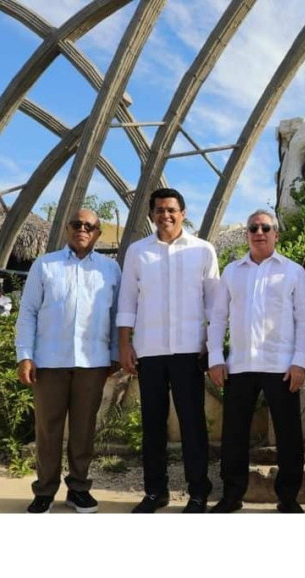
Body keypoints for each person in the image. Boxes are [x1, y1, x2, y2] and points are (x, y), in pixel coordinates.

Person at [118, 187, 219, 513]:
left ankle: (198, 493)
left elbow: (214, 305)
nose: (166, 215)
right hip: (150, 350)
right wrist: (124, 343)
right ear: (151, 215)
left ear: (183, 213)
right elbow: (127, 301)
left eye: (172, 209)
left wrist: (213, 348)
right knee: (153, 425)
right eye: (159, 210)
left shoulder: (203, 251)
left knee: (193, 425)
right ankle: (155, 493)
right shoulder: (137, 252)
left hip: (191, 350)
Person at [207, 210, 305, 513]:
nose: (259, 231)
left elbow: (303, 321)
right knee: (234, 436)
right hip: (239, 366)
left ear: (276, 234)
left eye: (266, 227)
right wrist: (216, 358)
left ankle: (289, 497)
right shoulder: (231, 272)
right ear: (247, 234)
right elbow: (217, 318)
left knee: (289, 436)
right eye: (253, 227)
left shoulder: (292, 272)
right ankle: (232, 495)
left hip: (280, 367)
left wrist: (299, 362)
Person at [16, 209, 120, 513]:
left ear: (98, 233)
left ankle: (78, 488)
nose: (82, 229)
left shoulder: (110, 269)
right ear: (67, 229)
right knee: (48, 428)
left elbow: (117, 317)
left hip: (93, 362)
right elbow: (28, 313)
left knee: (84, 428)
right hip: (50, 361)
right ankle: (45, 490)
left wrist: (114, 354)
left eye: (90, 226)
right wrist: (25, 355)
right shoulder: (45, 265)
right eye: (77, 224)